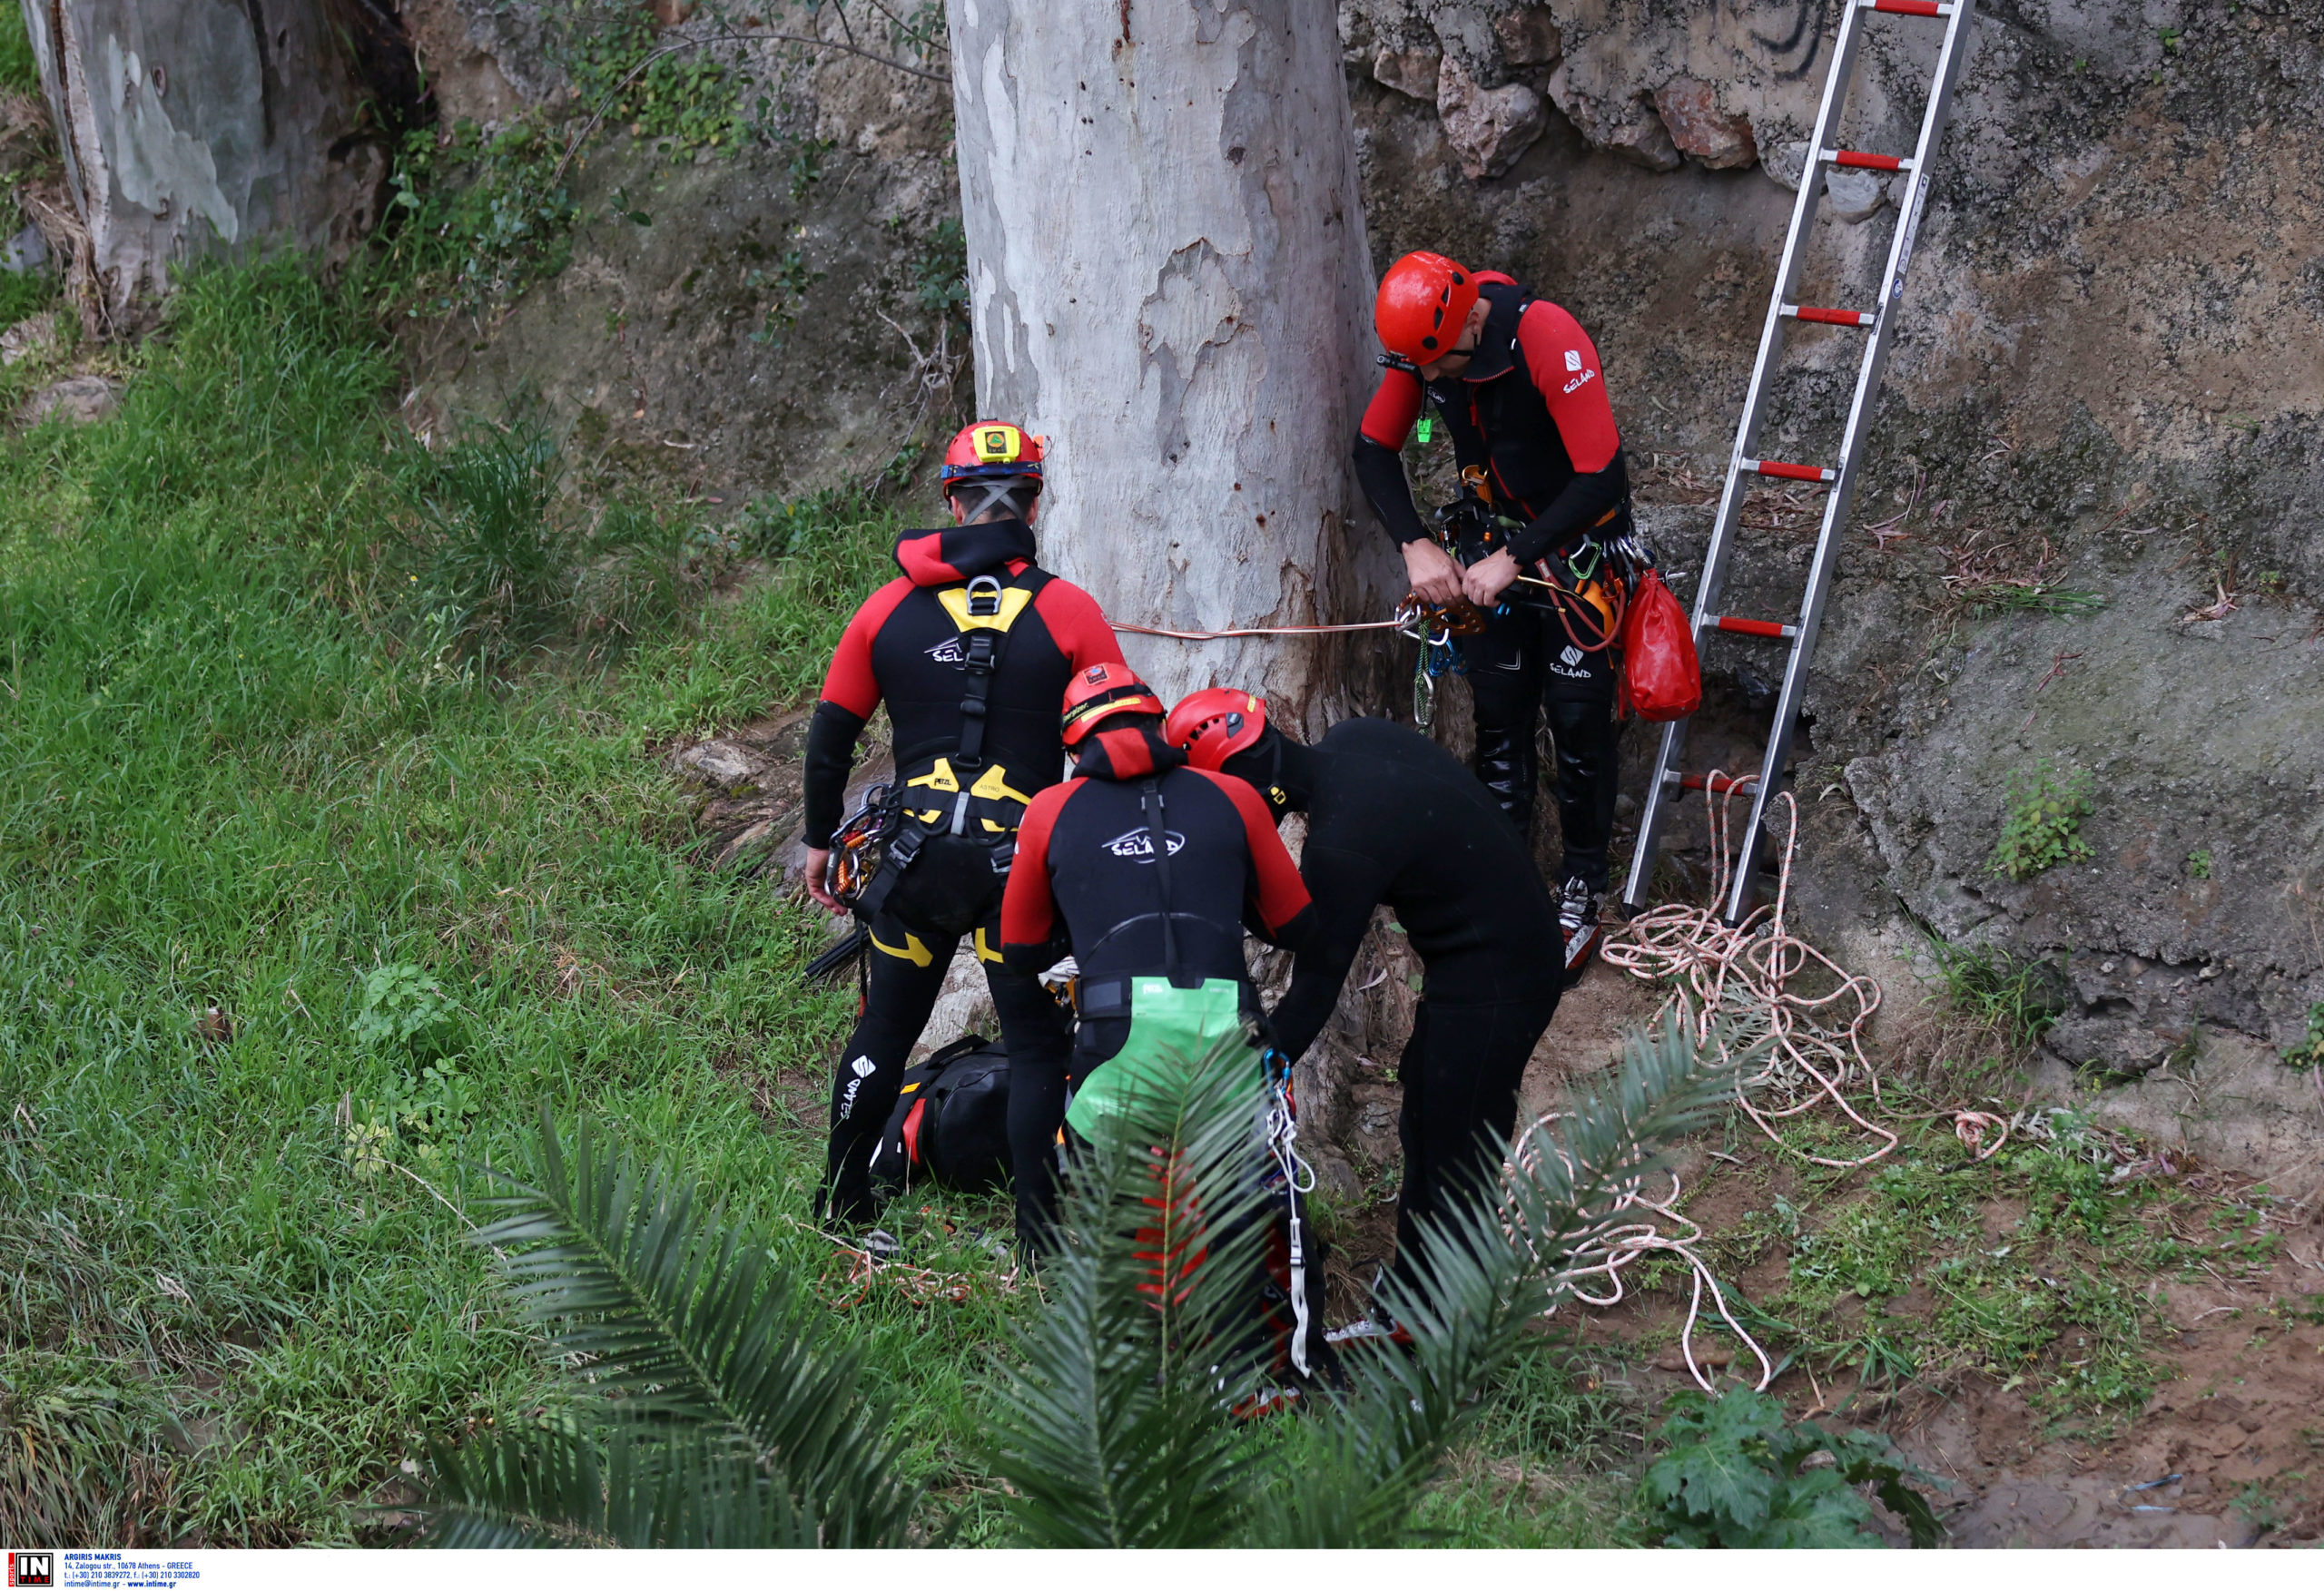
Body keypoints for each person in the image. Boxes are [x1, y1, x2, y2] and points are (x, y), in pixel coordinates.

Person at [801, 420, 1123, 1252]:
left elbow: (830, 733)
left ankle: (842, 1210)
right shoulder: (1068, 611)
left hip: (911, 867)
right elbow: (1114, 745)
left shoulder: (887, 610)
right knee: (1034, 1048)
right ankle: (1037, 1243)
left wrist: (815, 840)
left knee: (882, 1033)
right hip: (1016, 874)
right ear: (1034, 502)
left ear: (950, 497)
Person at [1165, 689, 1561, 1322]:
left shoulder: (1341, 845)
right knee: (1428, 1124)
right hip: (1502, 946)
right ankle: (1412, 1297)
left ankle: (1441, 1338)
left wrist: (1247, 1079)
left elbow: (1313, 988)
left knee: (1453, 1149)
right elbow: (1300, 922)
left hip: (1500, 975)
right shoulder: (1352, 739)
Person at [1000, 663, 1326, 1377]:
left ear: (1074, 742)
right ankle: (1261, 1368)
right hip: (1227, 1042)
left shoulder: (1050, 810)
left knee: (1111, 1197)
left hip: (1117, 1047)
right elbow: (1296, 923)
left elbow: (1020, 950)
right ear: (1158, 722)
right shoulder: (1233, 794)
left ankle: (1131, 1358)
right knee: (1247, 1201)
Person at [1353, 250, 1637, 979]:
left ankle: (1581, 886)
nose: (1434, 381)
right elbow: (1376, 448)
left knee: (1579, 724)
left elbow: (1602, 471)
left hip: (1577, 552)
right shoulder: (1424, 349)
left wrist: (1519, 555)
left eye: (1442, 365)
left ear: (1471, 320)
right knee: (1498, 718)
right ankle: (1502, 879)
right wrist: (1415, 544)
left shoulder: (1545, 336)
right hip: (1488, 545)